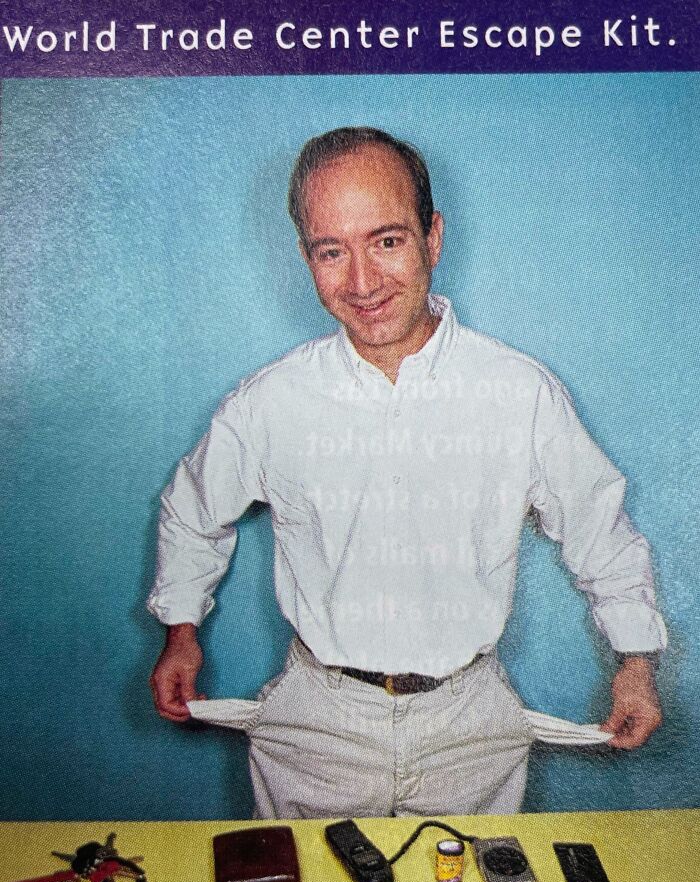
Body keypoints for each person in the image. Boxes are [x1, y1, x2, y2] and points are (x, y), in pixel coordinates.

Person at [147, 127, 666, 819]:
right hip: (315, 728)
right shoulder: (270, 402)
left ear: (433, 238)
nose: (362, 283)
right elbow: (191, 511)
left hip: (470, 729)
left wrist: (636, 661)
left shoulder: (518, 392)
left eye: (386, 241)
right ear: (306, 257)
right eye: (332, 251)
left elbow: (599, 526)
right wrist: (181, 629)